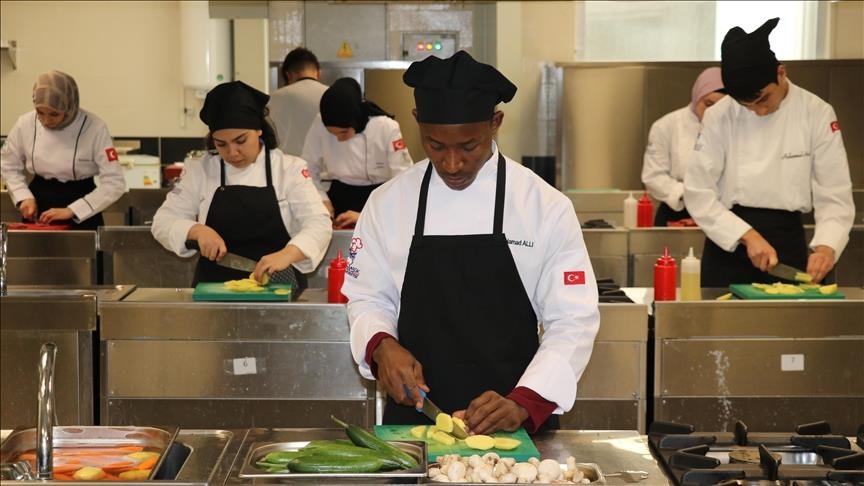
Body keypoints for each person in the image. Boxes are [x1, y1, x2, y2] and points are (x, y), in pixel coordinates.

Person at [341, 51, 600, 435]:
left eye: (468, 146)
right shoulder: (387, 203)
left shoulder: (543, 206)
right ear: (417, 121)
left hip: (515, 422)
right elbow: (367, 298)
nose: (452, 164)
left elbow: (573, 319)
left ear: (495, 123)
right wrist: (381, 345)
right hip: (415, 420)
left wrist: (525, 401)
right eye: (435, 145)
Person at [683, 17, 854, 286]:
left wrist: (826, 247)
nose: (759, 111)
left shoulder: (816, 113)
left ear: (781, 72)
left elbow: (834, 193)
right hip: (729, 243)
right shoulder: (720, 115)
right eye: (747, 106)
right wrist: (747, 235)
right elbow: (698, 191)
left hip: (787, 243)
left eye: (763, 99)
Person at [151, 81, 332, 288]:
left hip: (277, 286)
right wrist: (197, 231)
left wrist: (288, 254)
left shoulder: (289, 169)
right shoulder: (200, 169)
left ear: (258, 130)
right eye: (221, 144)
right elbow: (163, 221)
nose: (232, 152)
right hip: (214, 290)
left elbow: (319, 223)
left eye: (241, 141)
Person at [1, 70, 126, 229]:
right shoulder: (25, 123)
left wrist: (73, 210)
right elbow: (8, 164)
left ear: (70, 108)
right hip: (38, 201)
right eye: (40, 112)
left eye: (54, 114)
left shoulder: (94, 128)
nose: (46, 120)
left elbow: (115, 182)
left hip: (82, 202)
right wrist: (23, 196)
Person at [301, 77, 413, 229]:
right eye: (332, 134)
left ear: (354, 118)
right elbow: (307, 167)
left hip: (379, 197)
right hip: (339, 196)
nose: (339, 139)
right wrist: (321, 199)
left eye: (343, 132)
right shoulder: (319, 123)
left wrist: (370, 214)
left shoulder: (385, 127)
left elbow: (403, 177)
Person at [642, 67, 725, 226]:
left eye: (720, 107)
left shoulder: (732, 128)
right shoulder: (666, 125)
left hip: (720, 212)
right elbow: (653, 176)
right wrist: (689, 194)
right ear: (697, 96)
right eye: (708, 104)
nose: (712, 112)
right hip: (677, 211)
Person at [267, 47, 328, 157]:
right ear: (319, 73)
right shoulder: (332, 95)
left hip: (285, 164)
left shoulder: (275, 98)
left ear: (288, 75)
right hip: (324, 165)